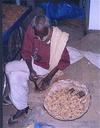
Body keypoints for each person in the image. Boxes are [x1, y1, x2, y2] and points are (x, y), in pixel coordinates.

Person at [5, 15, 70, 124]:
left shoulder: (59, 39)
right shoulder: (32, 29)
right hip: (32, 63)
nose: (39, 39)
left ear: (48, 28)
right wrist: (30, 70)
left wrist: (49, 77)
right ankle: (20, 103)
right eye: (37, 35)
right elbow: (26, 51)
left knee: (12, 72)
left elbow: (64, 61)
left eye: (43, 36)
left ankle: (18, 101)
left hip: (46, 68)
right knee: (10, 71)